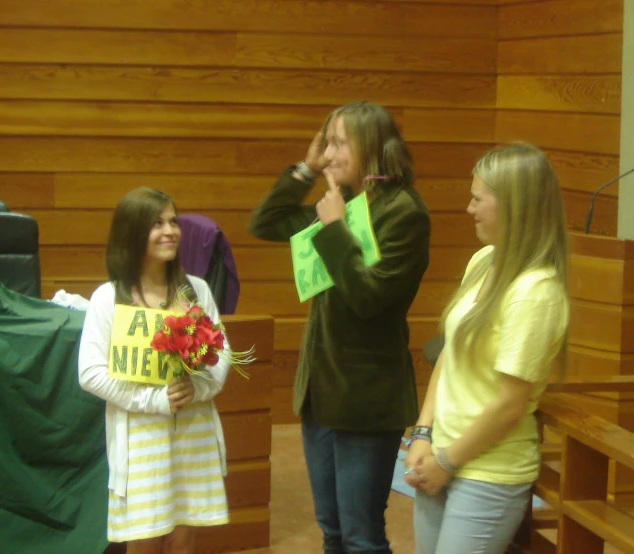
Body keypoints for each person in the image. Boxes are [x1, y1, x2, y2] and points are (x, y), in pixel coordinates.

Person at [248, 100, 431, 554]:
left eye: (337, 144)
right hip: (320, 392)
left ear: (370, 144)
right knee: (332, 533)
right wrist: (305, 172)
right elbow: (265, 223)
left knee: (361, 537)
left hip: (366, 398)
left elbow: (369, 298)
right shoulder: (342, 203)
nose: (327, 154)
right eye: (324, 144)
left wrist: (332, 229)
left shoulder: (403, 212)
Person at [404, 143, 569, 554]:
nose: (469, 208)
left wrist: (447, 462)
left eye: (478, 199)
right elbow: (449, 353)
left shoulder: (536, 291)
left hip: (487, 472)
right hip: (440, 453)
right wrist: (422, 435)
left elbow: (509, 404)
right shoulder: (484, 260)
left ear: (514, 205)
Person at [78, 187, 231, 554]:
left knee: (184, 532)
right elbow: (91, 373)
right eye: (156, 223)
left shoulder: (196, 290)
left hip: (193, 430)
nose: (170, 231)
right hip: (141, 437)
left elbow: (222, 352)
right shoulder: (108, 297)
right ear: (132, 233)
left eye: (173, 221)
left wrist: (199, 389)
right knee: (144, 536)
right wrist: (154, 399)